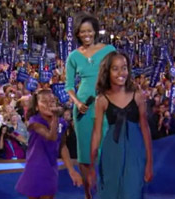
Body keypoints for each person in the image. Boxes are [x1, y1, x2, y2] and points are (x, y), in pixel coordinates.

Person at [89, 52, 153, 199]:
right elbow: (97, 133)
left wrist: (149, 162)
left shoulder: (137, 96)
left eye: (124, 68)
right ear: (108, 71)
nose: (121, 73)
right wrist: (91, 165)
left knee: (133, 191)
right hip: (112, 151)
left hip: (135, 152)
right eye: (115, 68)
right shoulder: (102, 100)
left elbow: (145, 129)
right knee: (111, 191)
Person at [64, 12, 115, 198]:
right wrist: (77, 102)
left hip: (105, 105)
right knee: (85, 154)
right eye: (82, 32)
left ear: (95, 32)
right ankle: (88, 194)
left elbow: (117, 76)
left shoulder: (109, 50)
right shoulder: (73, 57)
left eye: (89, 31)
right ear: (77, 34)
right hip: (82, 109)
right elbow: (68, 86)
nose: (86, 35)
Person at [15, 89, 82, 199]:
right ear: (36, 106)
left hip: (51, 167)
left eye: (51, 101)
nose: (49, 104)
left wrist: (71, 170)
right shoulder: (34, 122)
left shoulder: (62, 123)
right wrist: (55, 117)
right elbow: (52, 137)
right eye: (44, 101)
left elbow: (62, 146)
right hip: (35, 167)